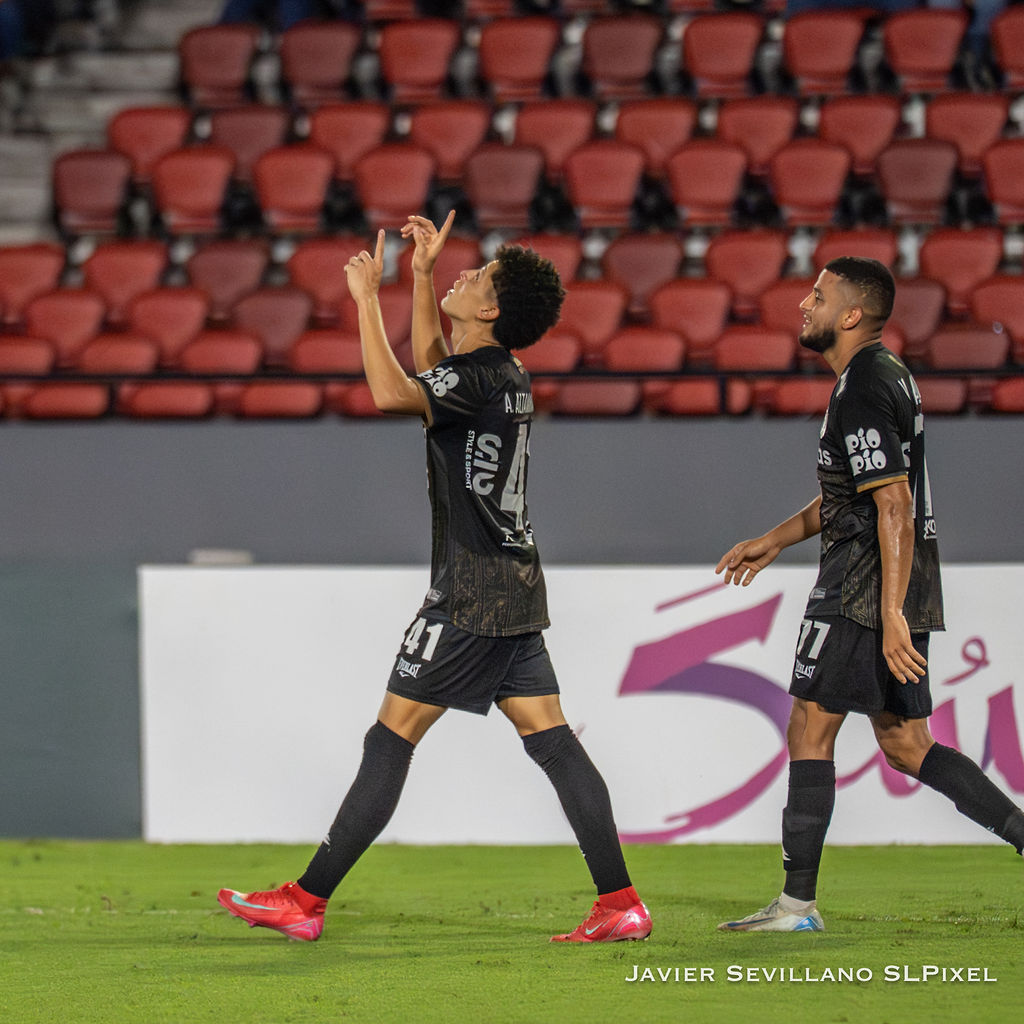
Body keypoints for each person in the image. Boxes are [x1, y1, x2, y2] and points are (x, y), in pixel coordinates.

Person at [217, 213, 652, 944]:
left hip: (470, 594)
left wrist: (364, 299)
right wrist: (419, 279)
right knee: (552, 739)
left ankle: (306, 900)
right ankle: (620, 903)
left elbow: (396, 392)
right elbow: (431, 369)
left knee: (392, 737)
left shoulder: (478, 377)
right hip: (512, 582)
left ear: (490, 310)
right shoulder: (498, 377)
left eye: (476, 277)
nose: (463, 273)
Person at [715, 256, 1024, 933]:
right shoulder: (887, 378)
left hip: (863, 585)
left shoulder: (860, 387)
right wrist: (776, 538)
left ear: (851, 315)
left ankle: (797, 905)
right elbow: (856, 493)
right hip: (897, 580)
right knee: (908, 742)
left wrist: (887, 614)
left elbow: (893, 506)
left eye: (819, 295)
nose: (804, 303)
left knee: (809, 725)